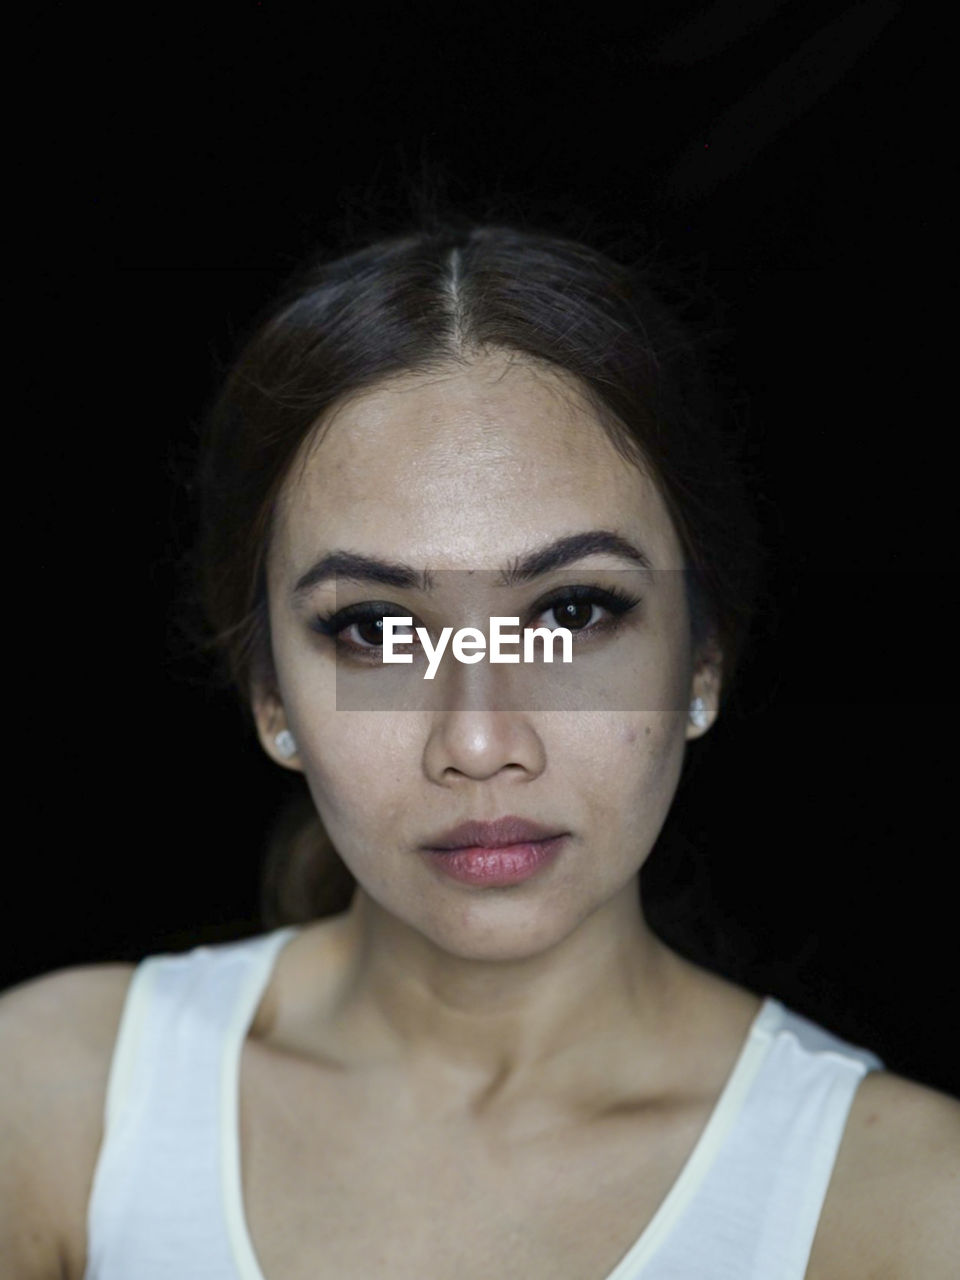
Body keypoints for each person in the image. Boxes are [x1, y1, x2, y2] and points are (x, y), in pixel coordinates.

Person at [2, 215, 957, 1280]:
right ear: (271, 691)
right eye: (376, 628)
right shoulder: (51, 1103)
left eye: (572, 611)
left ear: (701, 658)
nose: (479, 740)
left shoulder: (908, 1205)